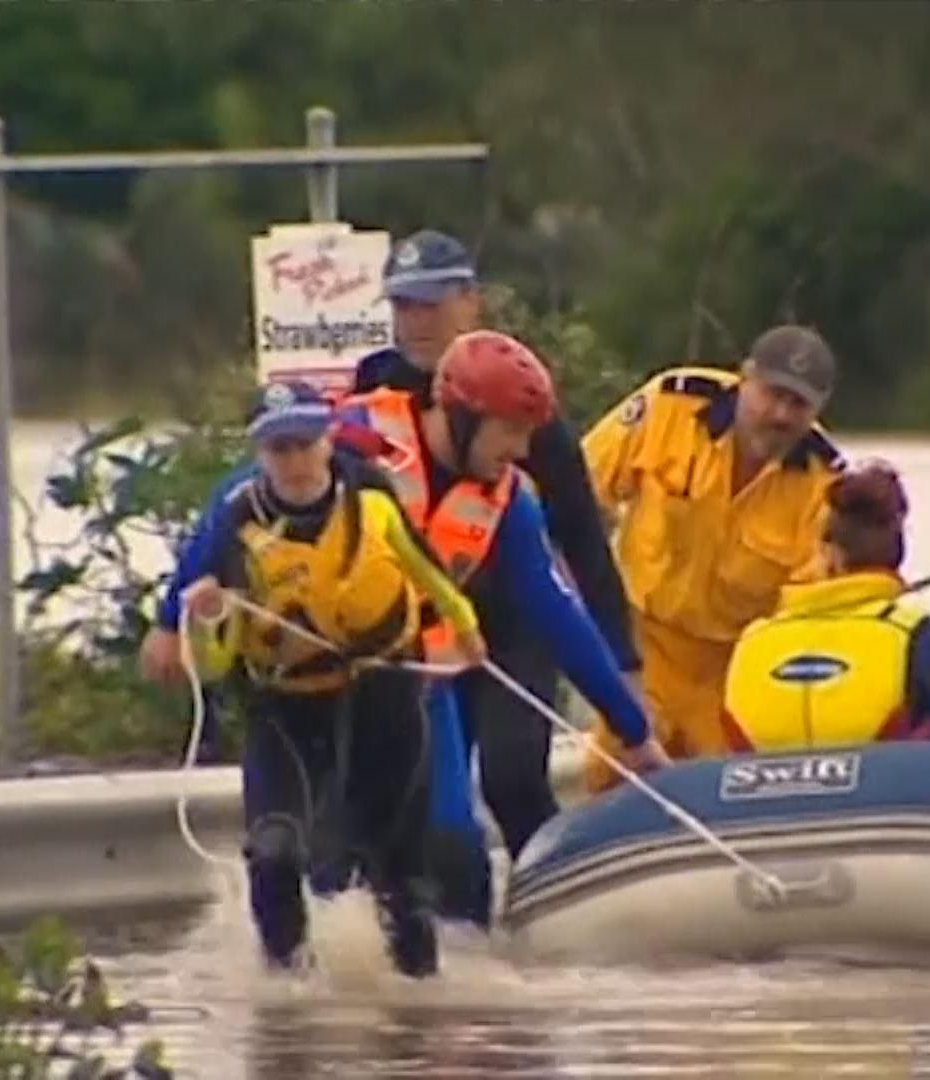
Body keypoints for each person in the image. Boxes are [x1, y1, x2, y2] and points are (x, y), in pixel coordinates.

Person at [335, 330, 670, 917]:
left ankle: (473, 992)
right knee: (329, 848)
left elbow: (556, 610)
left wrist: (633, 731)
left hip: (418, 681)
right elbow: (237, 509)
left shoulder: (510, 501)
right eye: (511, 432)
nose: (520, 451)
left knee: (455, 847)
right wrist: (178, 610)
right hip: (327, 678)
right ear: (464, 416)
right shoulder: (355, 441)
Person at [172, 380, 488, 977]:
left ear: (328, 442)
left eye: (304, 444)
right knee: (273, 852)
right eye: (278, 449)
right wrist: (205, 620)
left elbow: (435, 581)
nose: (293, 461)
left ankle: (418, 1012)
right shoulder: (237, 530)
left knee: (400, 877)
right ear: (260, 455)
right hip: (286, 707)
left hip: (382, 695)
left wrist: (467, 636)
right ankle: (285, 1000)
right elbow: (214, 664)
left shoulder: (373, 504)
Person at [351, 229, 640, 873]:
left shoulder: (523, 407)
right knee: (429, 812)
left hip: (511, 629)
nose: (415, 323)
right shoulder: (370, 404)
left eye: (431, 304)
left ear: (470, 303)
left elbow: (583, 545)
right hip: (420, 642)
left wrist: (622, 671)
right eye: (402, 307)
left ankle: (553, 898)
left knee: (512, 777)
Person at [582, 325, 845, 791]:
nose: (781, 415)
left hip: (734, 665)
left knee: (730, 795)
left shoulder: (823, 483)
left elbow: (811, 611)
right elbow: (576, 492)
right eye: (773, 394)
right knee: (612, 780)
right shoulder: (672, 405)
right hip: (645, 645)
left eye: (799, 404)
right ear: (745, 377)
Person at [721, 460, 930, 751]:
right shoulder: (912, 633)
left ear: (829, 552)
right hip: (887, 793)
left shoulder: (754, 639)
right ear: (897, 551)